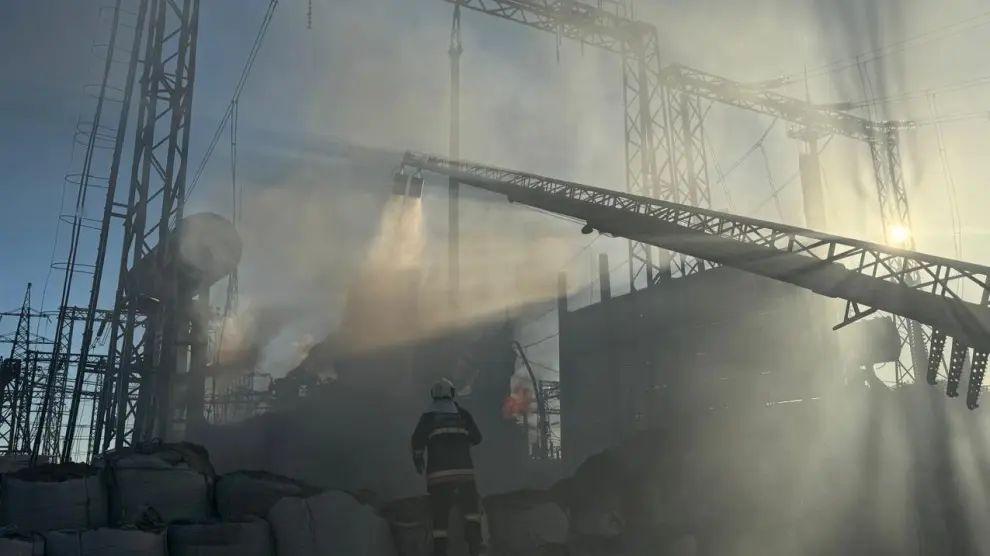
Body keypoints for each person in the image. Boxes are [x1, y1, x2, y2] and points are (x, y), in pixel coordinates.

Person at [411, 379, 485, 556]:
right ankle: (475, 545)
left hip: (438, 476)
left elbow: (416, 441)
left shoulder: (428, 417)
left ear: (433, 395)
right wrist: (462, 444)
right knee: (471, 511)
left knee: (440, 515)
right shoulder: (463, 414)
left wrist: (418, 461)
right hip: (465, 474)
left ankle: (440, 550)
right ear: (451, 393)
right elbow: (477, 437)